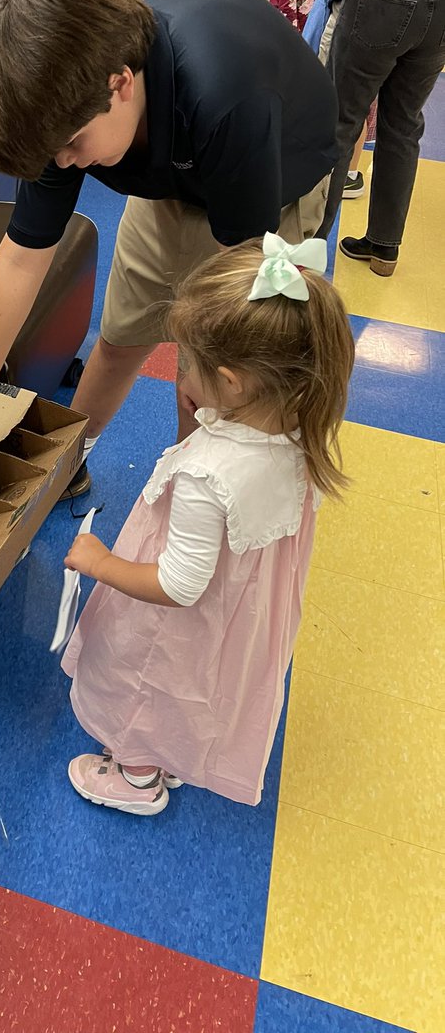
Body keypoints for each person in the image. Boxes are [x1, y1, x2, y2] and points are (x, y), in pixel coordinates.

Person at [0, 0, 338, 498]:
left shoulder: (226, 94)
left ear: (121, 82)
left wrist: (202, 367)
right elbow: (23, 257)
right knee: (120, 339)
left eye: (72, 145)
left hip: (271, 183)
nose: (65, 164)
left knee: (206, 387)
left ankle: (193, 499)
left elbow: (238, 282)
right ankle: (66, 465)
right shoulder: (65, 112)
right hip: (170, 178)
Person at [60, 235, 354, 814]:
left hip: (182, 613)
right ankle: (176, 749)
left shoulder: (208, 471)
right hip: (241, 607)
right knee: (201, 684)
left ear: (234, 381)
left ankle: (138, 773)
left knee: (146, 678)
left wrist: (100, 563)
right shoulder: (300, 426)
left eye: (185, 363)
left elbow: (178, 585)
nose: (179, 374)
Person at [315, 0, 445, 274]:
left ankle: (309, 246)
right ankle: (384, 247)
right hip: (443, 3)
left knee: (339, 120)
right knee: (404, 123)